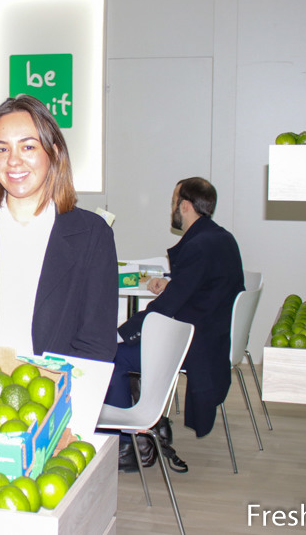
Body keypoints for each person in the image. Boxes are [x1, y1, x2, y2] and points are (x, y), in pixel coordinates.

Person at [0, 95, 118, 362]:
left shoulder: (92, 235)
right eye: (2, 149)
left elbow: (95, 342)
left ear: (54, 152)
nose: (13, 161)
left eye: (28, 147)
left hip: (56, 383)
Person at [107, 177, 244, 472]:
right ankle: (151, 422)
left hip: (195, 345)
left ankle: (127, 447)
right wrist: (171, 282)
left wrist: (120, 334)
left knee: (115, 355)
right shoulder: (222, 238)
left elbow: (165, 309)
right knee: (131, 347)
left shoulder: (199, 246)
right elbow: (203, 286)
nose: (172, 209)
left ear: (185, 206)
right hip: (213, 337)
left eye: (173, 202)